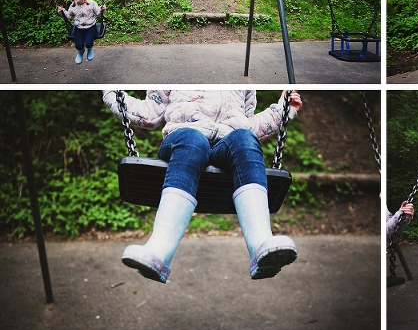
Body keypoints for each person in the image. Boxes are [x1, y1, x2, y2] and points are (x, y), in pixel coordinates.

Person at [102, 90, 302, 283]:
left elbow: (249, 125)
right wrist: (111, 91)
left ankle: (261, 246)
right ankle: (159, 251)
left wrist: (283, 109)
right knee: (193, 139)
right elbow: (150, 113)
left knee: (245, 138)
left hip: (228, 142)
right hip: (182, 139)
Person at [57, 0, 106, 65]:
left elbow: (98, 13)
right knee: (79, 45)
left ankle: (90, 49)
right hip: (78, 28)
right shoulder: (73, 6)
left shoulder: (91, 3)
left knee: (89, 43)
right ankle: (81, 52)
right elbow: (69, 17)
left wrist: (102, 9)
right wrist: (62, 12)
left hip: (90, 27)